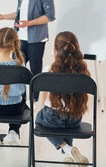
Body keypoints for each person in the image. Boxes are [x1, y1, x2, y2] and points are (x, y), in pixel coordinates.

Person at [35, 31, 90, 165]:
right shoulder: (82, 71)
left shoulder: (49, 70)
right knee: (66, 123)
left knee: (39, 119)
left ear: (55, 50)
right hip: (74, 120)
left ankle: (66, 148)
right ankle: (67, 155)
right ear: (77, 48)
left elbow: (43, 94)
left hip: (52, 118)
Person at [0, 27, 27, 146]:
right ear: (14, 46)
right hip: (15, 109)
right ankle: (13, 131)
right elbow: (22, 91)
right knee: (23, 103)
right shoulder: (20, 66)